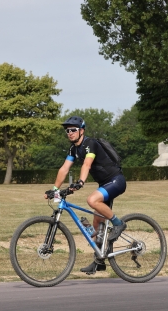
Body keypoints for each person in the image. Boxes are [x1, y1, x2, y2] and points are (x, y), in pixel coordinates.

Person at [46, 115, 127, 275]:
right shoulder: (73, 149)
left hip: (116, 180)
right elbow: (64, 169)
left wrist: (81, 182)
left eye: (73, 130)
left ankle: (119, 224)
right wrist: (55, 190)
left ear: (81, 131)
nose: (70, 133)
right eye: (67, 130)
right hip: (104, 185)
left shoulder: (90, 144)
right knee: (96, 227)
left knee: (91, 200)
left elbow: (87, 164)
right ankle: (99, 261)